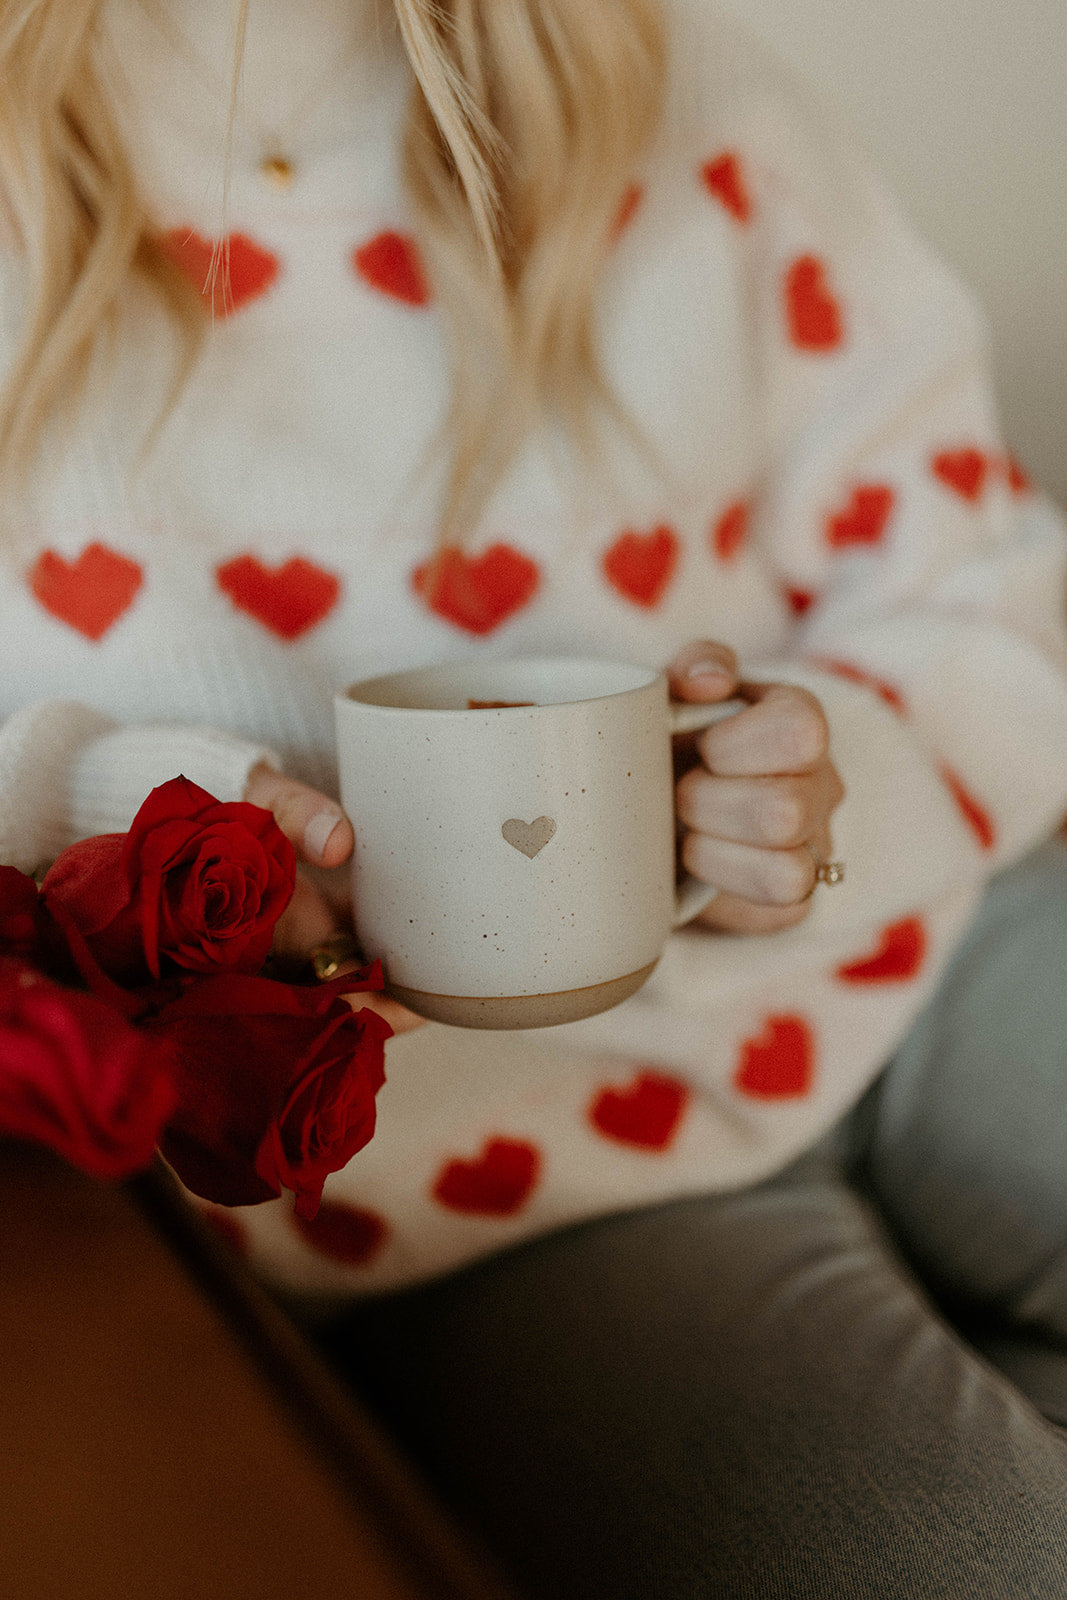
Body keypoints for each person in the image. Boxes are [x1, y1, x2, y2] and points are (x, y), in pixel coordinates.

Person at [1, 0, 1066, 1593]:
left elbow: (980, 578)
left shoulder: (689, 97)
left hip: (921, 960)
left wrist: (825, 763)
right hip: (480, 1187)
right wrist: (146, 824)